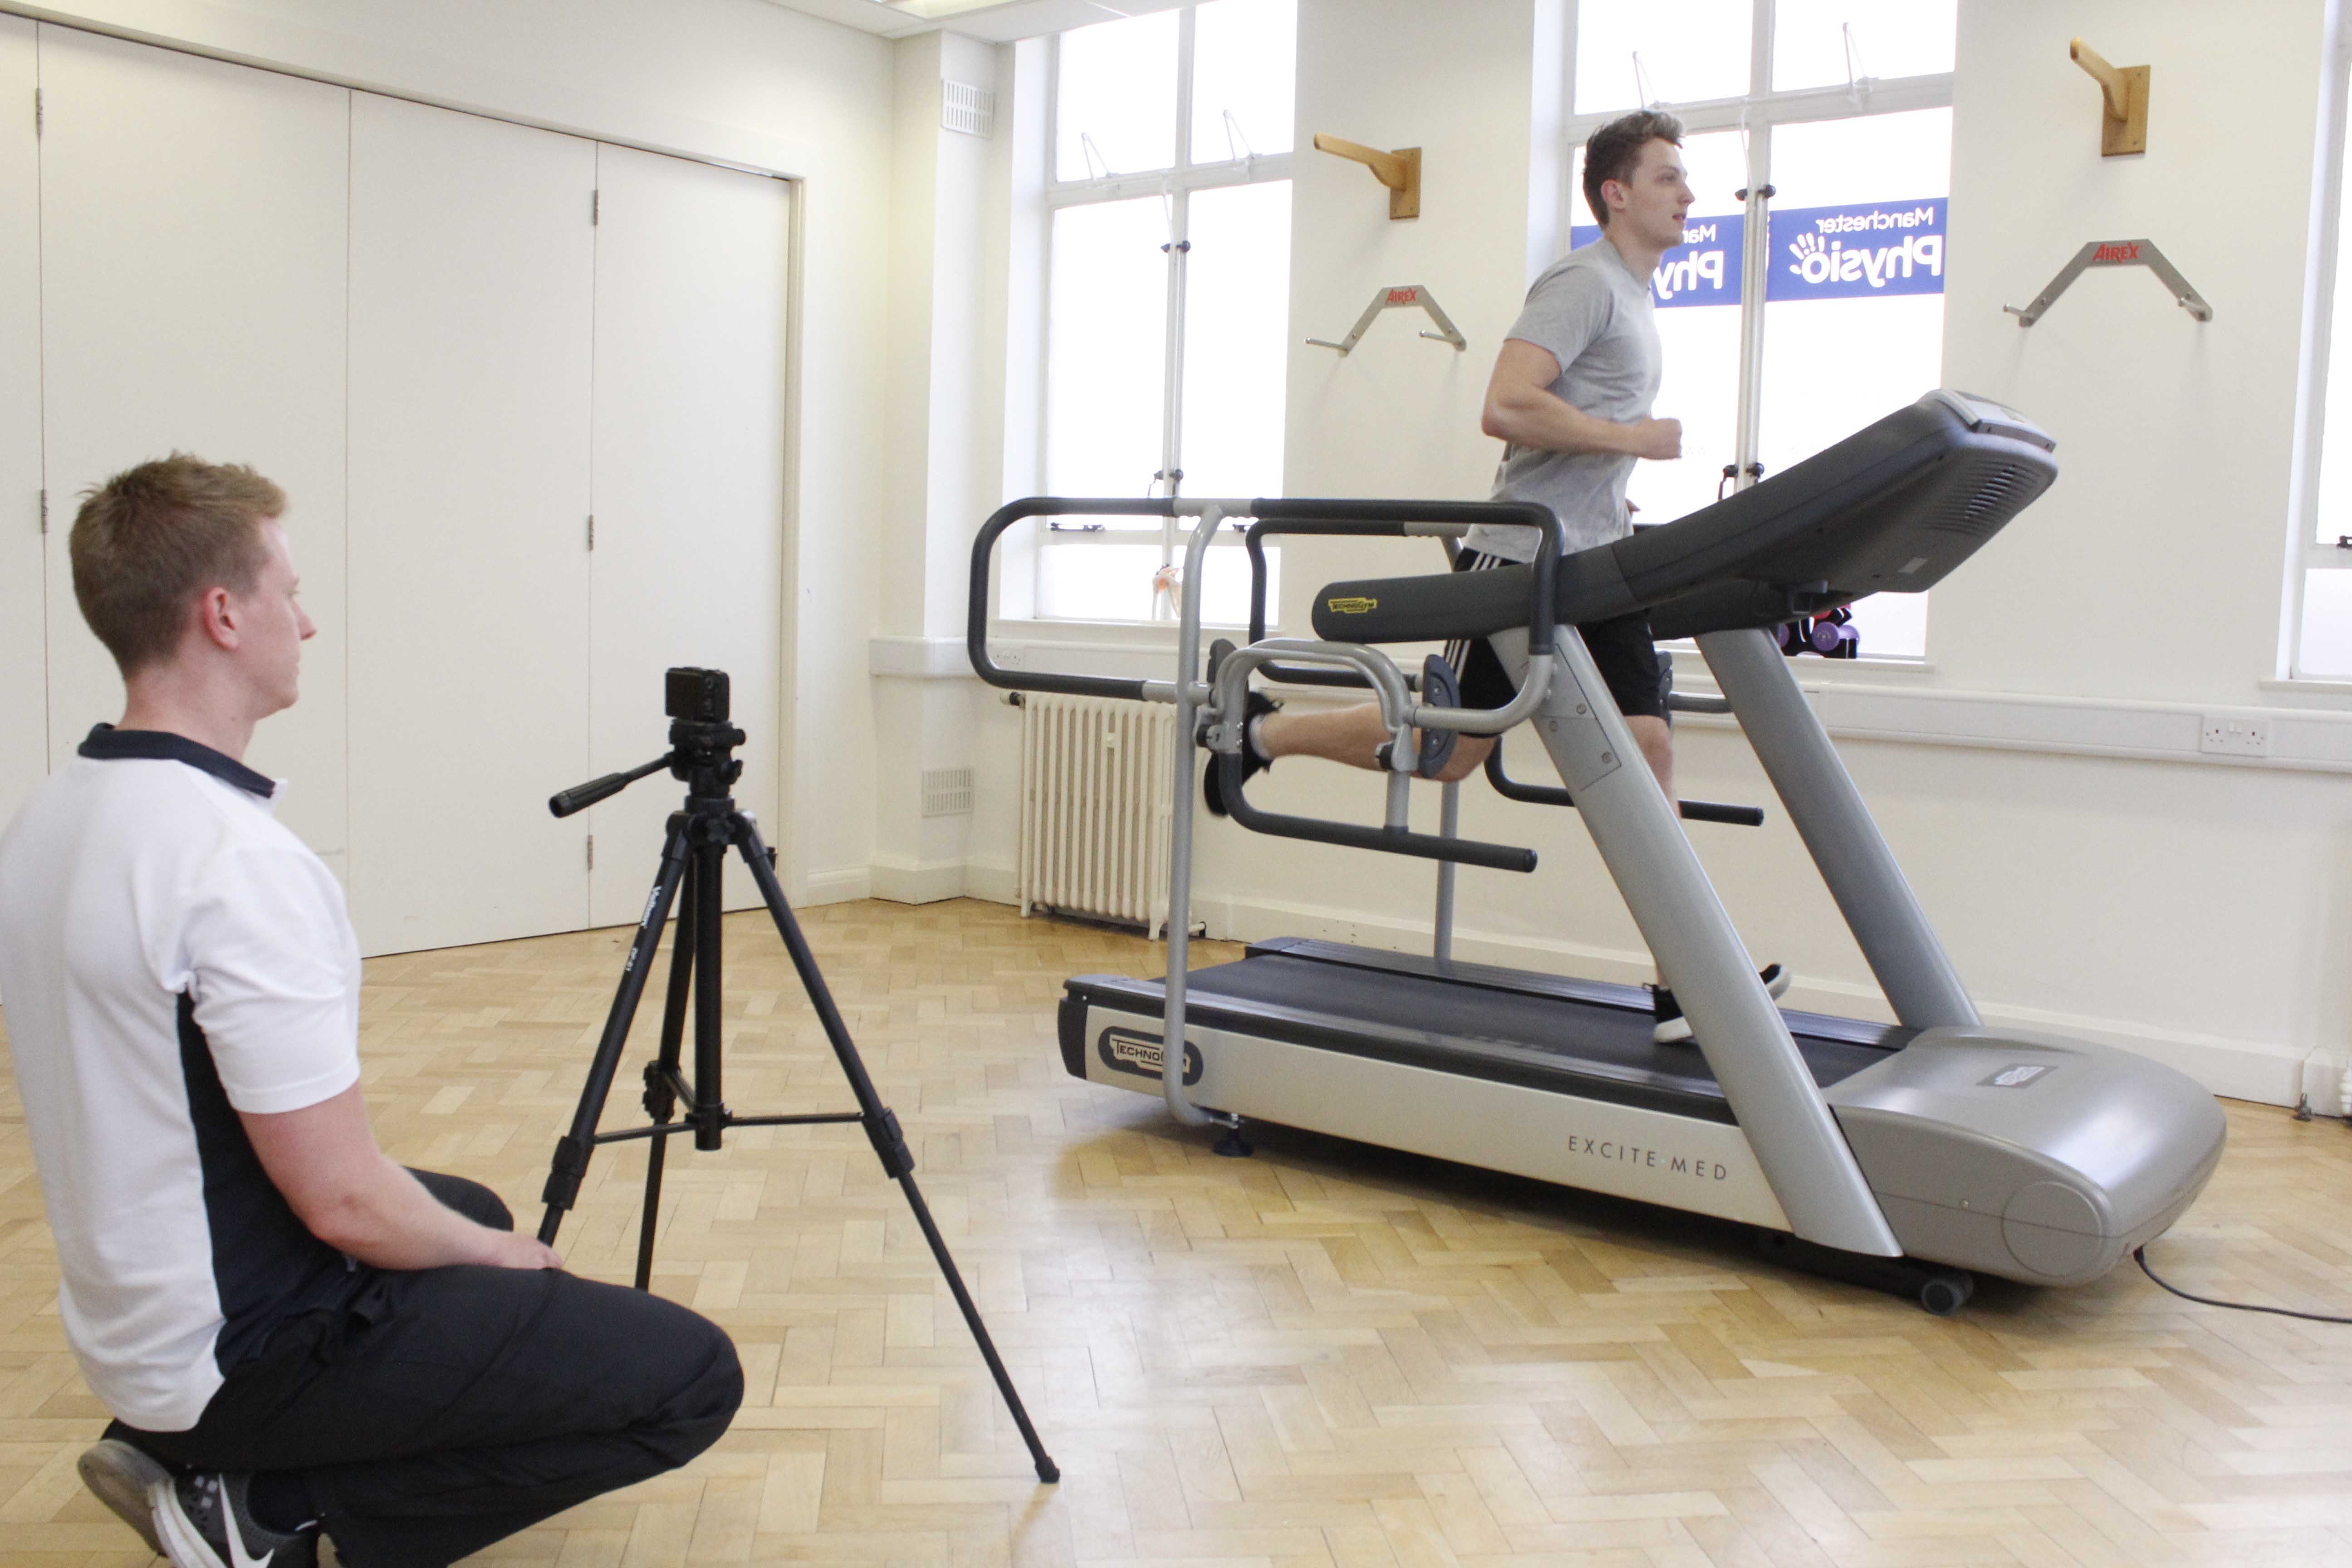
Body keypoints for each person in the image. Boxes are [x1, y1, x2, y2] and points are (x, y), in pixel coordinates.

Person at [0, 455, 743, 1568]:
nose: (305, 622)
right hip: (229, 1353)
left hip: (133, 1327)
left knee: (463, 1205)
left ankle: (186, 1455)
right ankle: (275, 1507)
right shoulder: (233, 862)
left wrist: (470, 1236)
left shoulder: (59, 813)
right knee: (688, 1378)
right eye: (287, 594)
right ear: (221, 614)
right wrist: (506, 1261)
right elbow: (344, 1202)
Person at [1203, 108, 1784, 1042]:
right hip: (1522, 562)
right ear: (1616, 192)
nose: (1690, 193)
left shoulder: (1637, 296)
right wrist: (1634, 440)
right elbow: (1506, 406)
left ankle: (1688, 977)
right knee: (1451, 752)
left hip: (1598, 560)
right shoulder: (1583, 283)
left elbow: (1570, 437)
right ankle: (1263, 731)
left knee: (1651, 747)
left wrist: (1618, 488)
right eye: (1671, 176)